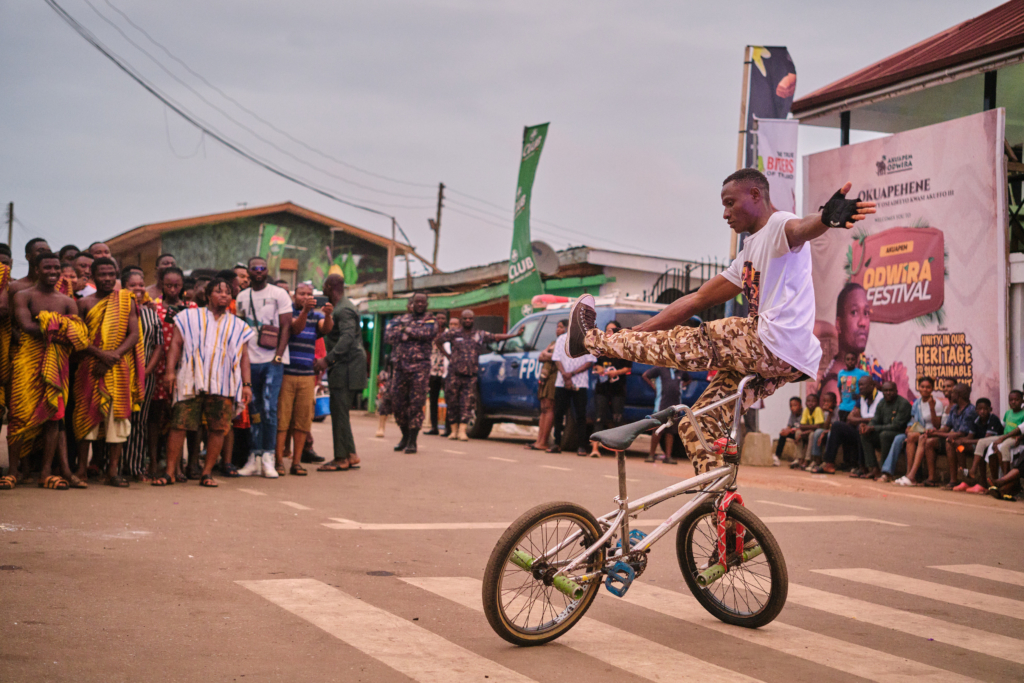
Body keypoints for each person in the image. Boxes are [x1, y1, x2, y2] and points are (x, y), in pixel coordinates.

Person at [567, 170, 875, 473]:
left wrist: (824, 219)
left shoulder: (779, 225)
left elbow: (799, 228)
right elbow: (697, 299)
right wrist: (637, 333)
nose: (725, 214)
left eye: (730, 203)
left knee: (688, 343)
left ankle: (589, 340)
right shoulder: (748, 251)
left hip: (769, 340)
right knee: (697, 425)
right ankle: (719, 508)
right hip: (784, 361)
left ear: (755, 195)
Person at [156, 278, 254, 487]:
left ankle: (207, 473)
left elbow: (244, 357)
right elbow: (175, 345)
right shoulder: (188, 317)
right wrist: (170, 373)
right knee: (178, 424)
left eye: (228, 292)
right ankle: (170, 472)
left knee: (218, 428)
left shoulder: (239, 325)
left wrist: (247, 384)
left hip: (224, 383)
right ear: (209, 295)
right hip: (190, 379)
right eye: (219, 291)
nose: (224, 295)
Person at [3, 252, 89, 490]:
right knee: (19, 414)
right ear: (36, 269)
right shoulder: (23, 295)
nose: (52, 273)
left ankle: (45, 473)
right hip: (27, 361)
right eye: (47, 268)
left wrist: (53, 324)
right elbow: (27, 327)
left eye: (56, 269)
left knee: (53, 417)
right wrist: (63, 326)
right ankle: (13, 472)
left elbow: (80, 336)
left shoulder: (67, 301)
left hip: (57, 363)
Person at [72, 257, 144, 488]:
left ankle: (112, 471)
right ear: (93, 276)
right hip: (90, 367)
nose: (106, 278)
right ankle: (82, 469)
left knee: (118, 421)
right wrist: (100, 355)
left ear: (116, 277)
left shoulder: (126, 300)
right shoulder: (83, 304)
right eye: (101, 274)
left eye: (111, 274)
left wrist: (113, 355)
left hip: (118, 367)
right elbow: (77, 338)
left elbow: (133, 334)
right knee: (86, 417)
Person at [236, 256, 293, 478]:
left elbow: (286, 325)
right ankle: (254, 456)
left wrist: (278, 356)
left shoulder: (278, 294)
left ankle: (269, 456)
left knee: (270, 409)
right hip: (250, 360)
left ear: (267, 270)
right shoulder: (242, 296)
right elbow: (239, 328)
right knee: (254, 410)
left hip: (272, 362)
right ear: (248, 272)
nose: (259, 271)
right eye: (254, 268)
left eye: (262, 268)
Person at [436, 310, 521, 442]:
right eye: (465, 319)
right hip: (454, 374)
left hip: (470, 375)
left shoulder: (479, 335)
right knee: (452, 401)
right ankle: (453, 430)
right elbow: (438, 341)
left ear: (473, 320)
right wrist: (447, 355)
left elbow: (496, 337)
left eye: (470, 319)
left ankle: (462, 431)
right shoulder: (453, 333)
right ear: (461, 320)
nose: (468, 321)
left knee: (467, 403)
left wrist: (515, 335)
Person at [276, 282, 333, 476]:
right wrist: (304, 312)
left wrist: (328, 315)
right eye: (302, 294)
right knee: (282, 420)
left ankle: (296, 462)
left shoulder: (316, 315)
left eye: (309, 294)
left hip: (307, 376)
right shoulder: (287, 312)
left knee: (302, 422)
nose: (305, 297)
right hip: (286, 374)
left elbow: (325, 329)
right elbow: (295, 329)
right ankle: (279, 462)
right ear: (294, 295)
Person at [314, 274, 365, 470]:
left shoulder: (344, 310)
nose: (323, 290)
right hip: (347, 366)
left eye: (324, 286)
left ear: (329, 287)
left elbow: (347, 339)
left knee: (339, 412)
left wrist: (327, 360)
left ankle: (341, 458)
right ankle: (351, 454)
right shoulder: (342, 306)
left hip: (347, 367)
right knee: (341, 412)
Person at [383, 292, 437, 454]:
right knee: (398, 404)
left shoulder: (430, 320)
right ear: (411, 303)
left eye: (422, 302)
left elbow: (428, 334)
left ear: (427, 303)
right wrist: (410, 332)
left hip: (420, 368)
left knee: (416, 404)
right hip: (400, 367)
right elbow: (388, 336)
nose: (419, 304)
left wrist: (406, 331)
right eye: (416, 301)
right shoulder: (400, 318)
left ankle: (412, 441)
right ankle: (404, 435)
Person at [885, 376, 944, 485]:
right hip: (919, 431)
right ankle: (907, 474)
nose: (925, 389)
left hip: (932, 433)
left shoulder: (937, 403)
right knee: (905, 437)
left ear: (932, 389)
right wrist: (909, 427)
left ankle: (911, 476)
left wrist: (932, 408)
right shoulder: (917, 403)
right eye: (922, 387)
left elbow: (938, 425)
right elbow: (912, 420)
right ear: (919, 388)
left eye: (928, 387)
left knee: (913, 437)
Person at [552, 323, 596, 456]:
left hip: (580, 383)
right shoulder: (561, 339)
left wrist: (571, 374)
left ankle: (581, 446)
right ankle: (556, 443)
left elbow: (590, 361)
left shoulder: (587, 340)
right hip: (562, 382)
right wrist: (565, 375)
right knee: (559, 413)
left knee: (580, 415)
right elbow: (556, 358)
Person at [589, 320, 632, 457]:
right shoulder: (601, 348)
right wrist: (599, 369)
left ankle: (617, 451)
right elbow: (594, 366)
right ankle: (595, 449)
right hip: (602, 388)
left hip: (618, 389)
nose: (609, 332)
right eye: (607, 330)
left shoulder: (624, 348)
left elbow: (628, 368)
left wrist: (616, 373)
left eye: (612, 330)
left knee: (617, 419)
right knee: (599, 417)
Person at [857, 380, 911, 480]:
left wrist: (873, 427)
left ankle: (884, 470)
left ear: (896, 391)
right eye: (885, 391)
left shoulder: (903, 404)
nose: (888, 393)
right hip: (884, 431)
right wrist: (867, 426)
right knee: (864, 434)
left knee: (884, 435)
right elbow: (875, 420)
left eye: (891, 390)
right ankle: (874, 468)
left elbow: (896, 426)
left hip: (899, 433)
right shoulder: (882, 403)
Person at [969, 390, 1023, 485]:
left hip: (1014, 437)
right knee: (982, 442)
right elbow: (1003, 427)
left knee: (1004, 446)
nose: (1013, 402)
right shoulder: (1008, 413)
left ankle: (1005, 476)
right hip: (1004, 435)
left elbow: (1021, 429)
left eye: (1017, 399)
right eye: (1011, 400)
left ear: (1022, 401)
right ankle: (973, 470)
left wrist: (1018, 437)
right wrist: (997, 439)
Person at [528, 319, 565, 451]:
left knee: (549, 407)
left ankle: (544, 441)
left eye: (561, 327)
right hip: (545, 377)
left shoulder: (565, 342)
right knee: (543, 408)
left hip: (555, 376)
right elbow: (541, 356)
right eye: (557, 327)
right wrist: (549, 355)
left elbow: (558, 357)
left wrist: (548, 354)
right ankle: (539, 440)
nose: (557, 329)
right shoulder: (553, 343)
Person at [933, 383, 977, 490]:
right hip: (957, 441)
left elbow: (962, 433)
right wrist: (934, 432)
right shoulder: (954, 409)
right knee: (939, 442)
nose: (951, 394)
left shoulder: (970, 410)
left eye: (953, 392)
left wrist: (937, 433)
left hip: (970, 443)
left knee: (955, 444)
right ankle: (946, 479)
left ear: (959, 395)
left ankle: (961, 478)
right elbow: (947, 428)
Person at [956, 397, 1003, 493]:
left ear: (990, 409)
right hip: (977, 445)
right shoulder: (975, 419)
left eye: (985, 409)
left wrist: (966, 442)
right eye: (980, 409)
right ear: (976, 410)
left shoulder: (993, 419)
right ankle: (966, 478)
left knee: (981, 450)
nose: (982, 411)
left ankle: (982, 483)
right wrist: (959, 441)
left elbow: (985, 440)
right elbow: (970, 437)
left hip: (990, 446)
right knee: (960, 448)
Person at [642, 366, 684, 464]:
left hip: (675, 405)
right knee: (657, 430)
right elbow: (645, 375)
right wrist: (654, 387)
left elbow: (688, 379)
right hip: (661, 404)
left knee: (671, 432)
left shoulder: (680, 371)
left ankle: (668, 456)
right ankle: (651, 455)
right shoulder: (660, 369)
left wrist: (680, 387)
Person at [425, 310, 450, 436]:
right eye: (438, 318)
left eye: (443, 318)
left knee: (448, 399)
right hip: (432, 370)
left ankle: (447, 428)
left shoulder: (449, 333)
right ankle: (434, 427)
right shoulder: (430, 334)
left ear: (446, 320)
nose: (440, 320)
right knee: (433, 399)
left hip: (445, 371)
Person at [790, 393, 824, 470]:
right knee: (798, 433)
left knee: (812, 434)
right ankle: (799, 458)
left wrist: (806, 430)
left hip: (816, 432)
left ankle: (807, 460)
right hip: (809, 431)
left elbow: (818, 426)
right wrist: (807, 430)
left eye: (813, 401)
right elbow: (801, 426)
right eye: (808, 401)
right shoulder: (806, 410)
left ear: (818, 403)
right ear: (805, 403)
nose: (810, 403)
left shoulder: (818, 410)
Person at [835, 351, 869, 421]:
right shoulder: (841, 373)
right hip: (843, 407)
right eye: (848, 359)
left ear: (856, 361)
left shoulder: (861, 373)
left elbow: (871, 383)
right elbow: (839, 386)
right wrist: (841, 398)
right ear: (844, 361)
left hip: (855, 408)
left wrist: (861, 395)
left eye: (852, 359)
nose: (850, 361)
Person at [774, 397, 803, 466]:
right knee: (782, 434)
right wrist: (786, 431)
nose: (792, 408)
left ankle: (798, 458)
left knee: (798, 434)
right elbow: (789, 426)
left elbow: (803, 427)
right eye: (791, 406)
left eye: (795, 405)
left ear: (800, 406)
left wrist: (792, 430)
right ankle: (777, 457)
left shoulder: (804, 413)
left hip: (801, 433)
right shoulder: (792, 414)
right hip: (793, 431)